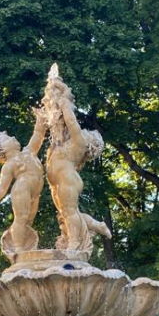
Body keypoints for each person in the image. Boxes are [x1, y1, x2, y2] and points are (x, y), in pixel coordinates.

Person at [44, 78, 110, 253]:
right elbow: (59, 125)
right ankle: (97, 225)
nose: (86, 132)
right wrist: (60, 93)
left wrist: (65, 104)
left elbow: (72, 122)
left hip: (67, 179)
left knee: (69, 212)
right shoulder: (65, 142)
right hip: (56, 181)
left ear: (91, 144)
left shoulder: (79, 144)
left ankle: (74, 244)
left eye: (90, 134)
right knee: (66, 214)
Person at [0, 108, 47, 259]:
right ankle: (18, 250)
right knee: (21, 218)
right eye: (8, 138)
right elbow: (2, 188)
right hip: (22, 190)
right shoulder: (9, 165)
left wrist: (41, 120)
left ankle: (25, 246)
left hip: (35, 193)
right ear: (2, 148)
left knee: (28, 221)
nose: (13, 137)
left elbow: (38, 135)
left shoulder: (28, 152)